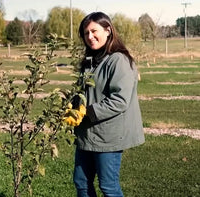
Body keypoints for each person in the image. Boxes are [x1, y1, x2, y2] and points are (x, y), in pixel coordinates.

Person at [72, 12, 145, 197]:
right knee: (81, 182)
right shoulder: (90, 61)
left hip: (108, 137)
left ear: (108, 30)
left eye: (94, 31)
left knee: (108, 187)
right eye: (85, 33)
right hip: (87, 134)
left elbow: (120, 101)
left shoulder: (119, 60)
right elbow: (85, 92)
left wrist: (86, 111)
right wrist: (72, 105)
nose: (90, 36)